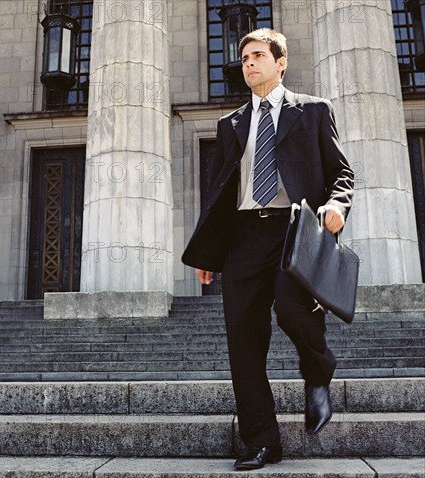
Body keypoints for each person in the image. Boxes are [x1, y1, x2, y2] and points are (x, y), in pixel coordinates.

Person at [181, 29, 354, 471]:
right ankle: (261, 441)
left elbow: (341, 172)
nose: (249, 63)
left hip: (293, 230)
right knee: (243, 340)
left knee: (293, 309)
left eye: (258, 55)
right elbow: (220, 192)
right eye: (244, 58)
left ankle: (318, 370)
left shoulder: (312, 111)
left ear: (281, 62)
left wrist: (336, 204)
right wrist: (207, 252)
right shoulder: (230, 124)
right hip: (242, 237)